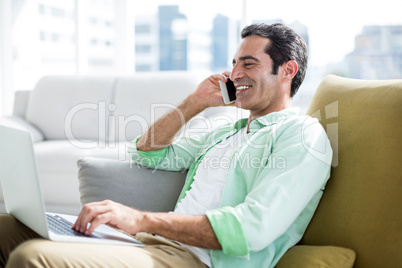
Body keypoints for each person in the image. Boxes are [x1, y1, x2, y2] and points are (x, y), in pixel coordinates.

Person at [0, 23, 332, 268]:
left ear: (288, 70)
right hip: (149, 244)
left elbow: (252, 229)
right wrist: (196, 102)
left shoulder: (302, 135)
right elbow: (147, 151)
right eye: (234, 63)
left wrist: (139, 219)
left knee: (31, 257)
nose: (234, 73)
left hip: (196, 261)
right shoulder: (225, 132)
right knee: (6, 226)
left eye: (248, 63)